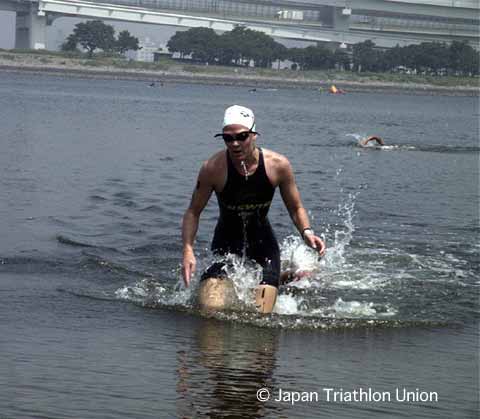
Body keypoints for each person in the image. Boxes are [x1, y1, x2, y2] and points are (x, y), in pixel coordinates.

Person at [181, 105, 325, 313]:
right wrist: (188, 249)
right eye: (228, 138)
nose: (235, 143)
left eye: (242, 136)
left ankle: (282, 276)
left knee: (260, 314)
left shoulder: (278, 165)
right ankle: (283, 277)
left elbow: (296, 207)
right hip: (226, 245)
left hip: (264, 247)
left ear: (254, 134)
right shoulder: (213, 168)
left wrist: (307, 232)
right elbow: (193, 212)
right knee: (209, 310)